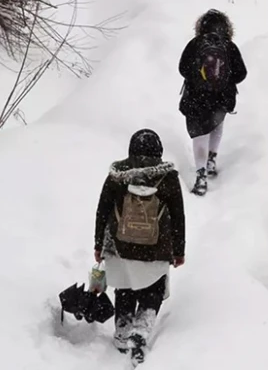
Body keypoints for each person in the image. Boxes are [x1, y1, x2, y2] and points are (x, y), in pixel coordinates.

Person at [94, 129, 186, 366]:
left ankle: (123, 329)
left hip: (120, 246)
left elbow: (103, 210)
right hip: (156, 247)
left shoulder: (118, 175)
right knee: (153, 289)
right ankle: (142, 329)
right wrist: (179, 251)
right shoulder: (168, 178)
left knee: (125, 287)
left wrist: (98, 245)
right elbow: (178, 216)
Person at [178, 8, 247, 196]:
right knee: (216, 124)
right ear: (226, 27)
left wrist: (198, 79)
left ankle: (201, 176)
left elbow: (183, 68)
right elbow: (241, 73)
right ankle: (211, 160)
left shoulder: (195, 44)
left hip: (196, 99)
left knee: (199, 135)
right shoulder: (229, 46)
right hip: (221, 99)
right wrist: (224, 81)